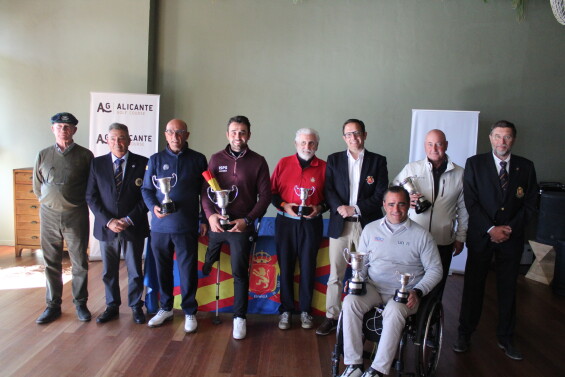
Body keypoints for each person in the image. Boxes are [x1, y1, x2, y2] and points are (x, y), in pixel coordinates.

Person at [453, 120, 537, 361]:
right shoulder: (475, 164)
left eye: (507, 137)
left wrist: (508, 228)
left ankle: (506, 337)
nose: (502, 141)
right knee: (473, 287)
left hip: (511, 239)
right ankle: (464, 333)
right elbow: (471, 202)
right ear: (490, 138)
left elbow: (531, 204)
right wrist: (491, 228)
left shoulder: (526, 166)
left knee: (508, 288)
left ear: (514, 140)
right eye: (498, 136)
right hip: (481, 236)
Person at [340, 186, 442, 377]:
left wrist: (418, 292)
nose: (396, 209)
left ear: (408, 206)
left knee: (394, 311)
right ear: (384, 205)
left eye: (402, 204)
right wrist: (356, 279)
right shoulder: (370, 230)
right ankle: (354, 364)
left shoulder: (422, 236)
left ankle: (378, 370)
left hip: (405, 293)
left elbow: (436, 270)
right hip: (374, 288)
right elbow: (362, 264)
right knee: (350, 302)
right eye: (392, 204)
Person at [201, 115, 271, 340]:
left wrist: (248, 220)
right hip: (217, 224)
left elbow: (265, 197)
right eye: (234, 132)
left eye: (242, 132)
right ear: (227, 134)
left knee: (240, 272)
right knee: (210, 257)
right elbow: (206, 193)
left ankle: (239, 317)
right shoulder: (215, 158)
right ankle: (208, 264)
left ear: (249, 135)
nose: (237, 136)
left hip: (241, 227)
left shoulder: (258, 161)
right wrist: (210, 216)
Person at [317, 119, 388, 336]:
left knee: (368, 274)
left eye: (357, 133)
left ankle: (364, 318)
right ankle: (332, 316)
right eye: (348, 134)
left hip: (368, 226)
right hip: (341, 225)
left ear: (364, 135)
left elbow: (381, 195)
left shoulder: (378, 161)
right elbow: (328, 189)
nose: (353, 138)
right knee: (336, 275)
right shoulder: (334, 160)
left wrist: (355, 208)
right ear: (344, 138)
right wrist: (340, 208)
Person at [141, 119, 207, 333]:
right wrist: (154, 208)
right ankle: (166, 307)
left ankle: (189, 311)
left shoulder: (198, 159)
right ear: (165, 134)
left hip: (186, 226)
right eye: (171, 132)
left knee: (187, 270)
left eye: (180, 132)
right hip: (160, 227)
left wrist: (204, 219)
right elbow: (146, 190)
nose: (175, 137)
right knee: (162, 269)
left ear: (187, 135)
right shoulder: (155, 159)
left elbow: (206, 194)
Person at [33, 112, 94, 324]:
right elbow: (37, 185)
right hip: (48, 215)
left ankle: (80, 303)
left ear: (75, 130)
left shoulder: (85, 156)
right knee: (51, 262)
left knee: (79, 262)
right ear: (53, 129)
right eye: (59, 126)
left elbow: (91, 186)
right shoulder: (43, 155)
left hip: (75, 214)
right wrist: (51, 201)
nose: (63, 130)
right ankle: (52, 305)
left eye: (68, 127)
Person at [86, 123, 149, 324]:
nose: (118, 143)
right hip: (107, 228)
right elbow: (91, 196)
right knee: (109, 271)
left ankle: (136, 306)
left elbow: (146, 197)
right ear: (107, 140)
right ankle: (112, 305)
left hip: (134, 226)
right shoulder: (97, 164)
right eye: (113, 138)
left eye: (122, 138)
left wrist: (129, 219)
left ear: (129, 140)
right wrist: (109, 221)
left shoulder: (143, 163)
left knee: (135, 270)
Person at [393, 129, 468, 293]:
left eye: (439, 144)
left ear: (446, 145)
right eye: (430, 144)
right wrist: (405, 200)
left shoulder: (460, 174)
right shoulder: (411, 169)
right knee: (409, 285)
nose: (434, 148)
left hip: (443, 241)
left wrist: (461, 237)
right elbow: (392, 196)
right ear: (424, 146)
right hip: (413, 240)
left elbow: (464, 209)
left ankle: (432, 318)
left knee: (436, 287)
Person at [270, 128, 326, 330]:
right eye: (303, 143)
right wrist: (284, 206)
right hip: (285, 222)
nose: (307, 147)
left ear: (317, 146)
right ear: (296, 144)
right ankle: (285, 311)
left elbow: (331, 198)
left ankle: (305, 311)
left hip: (312, 224)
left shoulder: (324, 167)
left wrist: (319, 207)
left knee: (308, 267)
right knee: (285, 266)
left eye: (311, 143)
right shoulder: (283, 163)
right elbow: (272, 193)